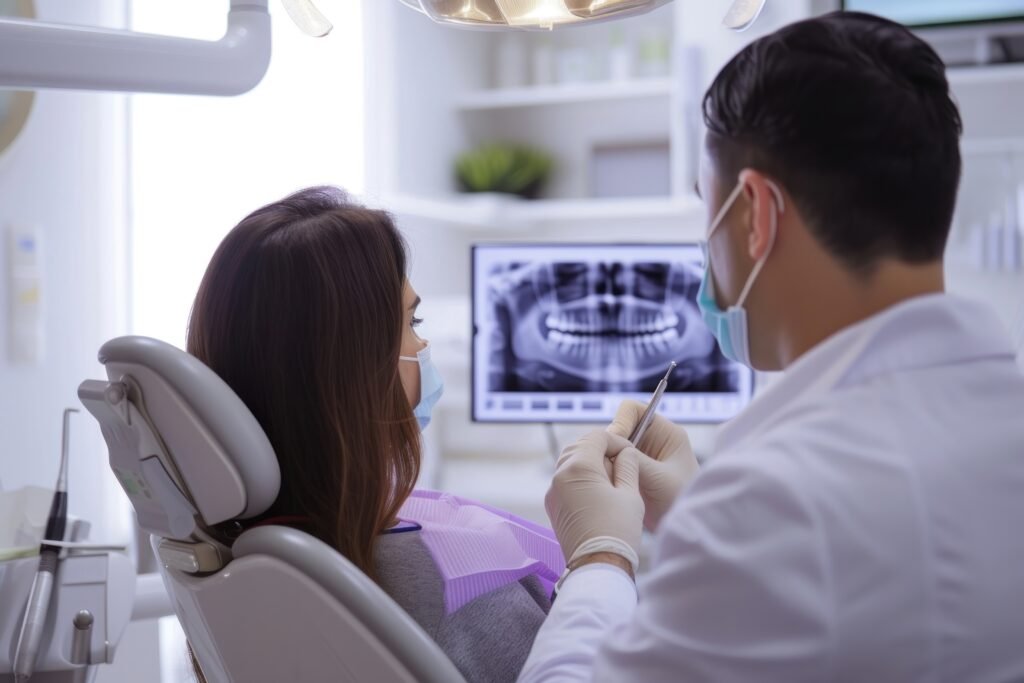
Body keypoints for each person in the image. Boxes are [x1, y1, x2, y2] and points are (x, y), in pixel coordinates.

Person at [520, 11, 1024, 682]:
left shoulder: (775, 506)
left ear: (755, 213)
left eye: (709, 206)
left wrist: (601, 556)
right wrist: (697, 511)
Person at [186, 186, 557, 683]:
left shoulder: (241, 559)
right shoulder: (453, 585)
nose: (423, 344)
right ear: (351, 371)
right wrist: (606, 553)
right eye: (411, 322)